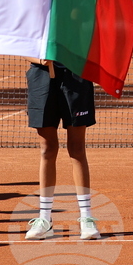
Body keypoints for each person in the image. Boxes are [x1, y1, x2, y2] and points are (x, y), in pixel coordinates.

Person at [22, 57, 101, 241]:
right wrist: (39, 59)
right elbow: (24, 43)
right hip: (41, 77)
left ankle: (86, 218)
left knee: (77, 148)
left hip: (76, 75)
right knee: (47, 149)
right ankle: (45, 219)